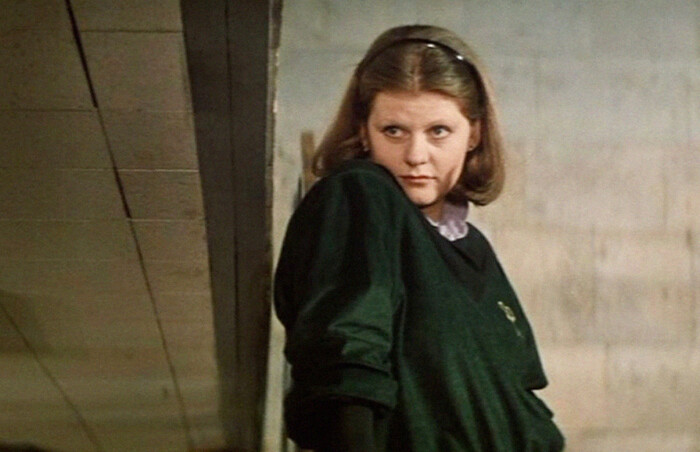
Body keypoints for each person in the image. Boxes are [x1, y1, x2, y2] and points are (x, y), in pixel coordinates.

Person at [274, 25, 565, 451]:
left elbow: (517, 398)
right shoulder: (361, 193)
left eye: (438, 131)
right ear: (364, 131)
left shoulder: (472, 248)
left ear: (474, 134)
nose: (415, 155)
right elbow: (344, 364)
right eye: (393, 130)